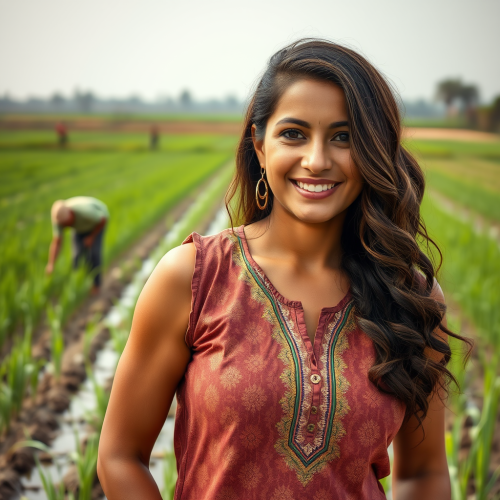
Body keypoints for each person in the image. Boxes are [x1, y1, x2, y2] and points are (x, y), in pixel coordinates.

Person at [98, 39, 470, 499]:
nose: (317, 160)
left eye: (344, 136)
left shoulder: (410, 296)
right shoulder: (193, 279)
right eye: (294, 134)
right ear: (259, 143)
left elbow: (424, 475)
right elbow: (120, 456)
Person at [46, 196, 108, 293]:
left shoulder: (85, 212)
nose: (65, 227)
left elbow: (103, 219)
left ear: (71, 213)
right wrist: (51, 264)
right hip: (79, 228)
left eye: (67, 224)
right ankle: (79, 285)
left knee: (94, 254)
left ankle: (96, 285)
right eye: (64, 225)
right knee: (76, 257)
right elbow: (57, 242)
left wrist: (91, 237)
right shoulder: (59, 220)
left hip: (96, 223)